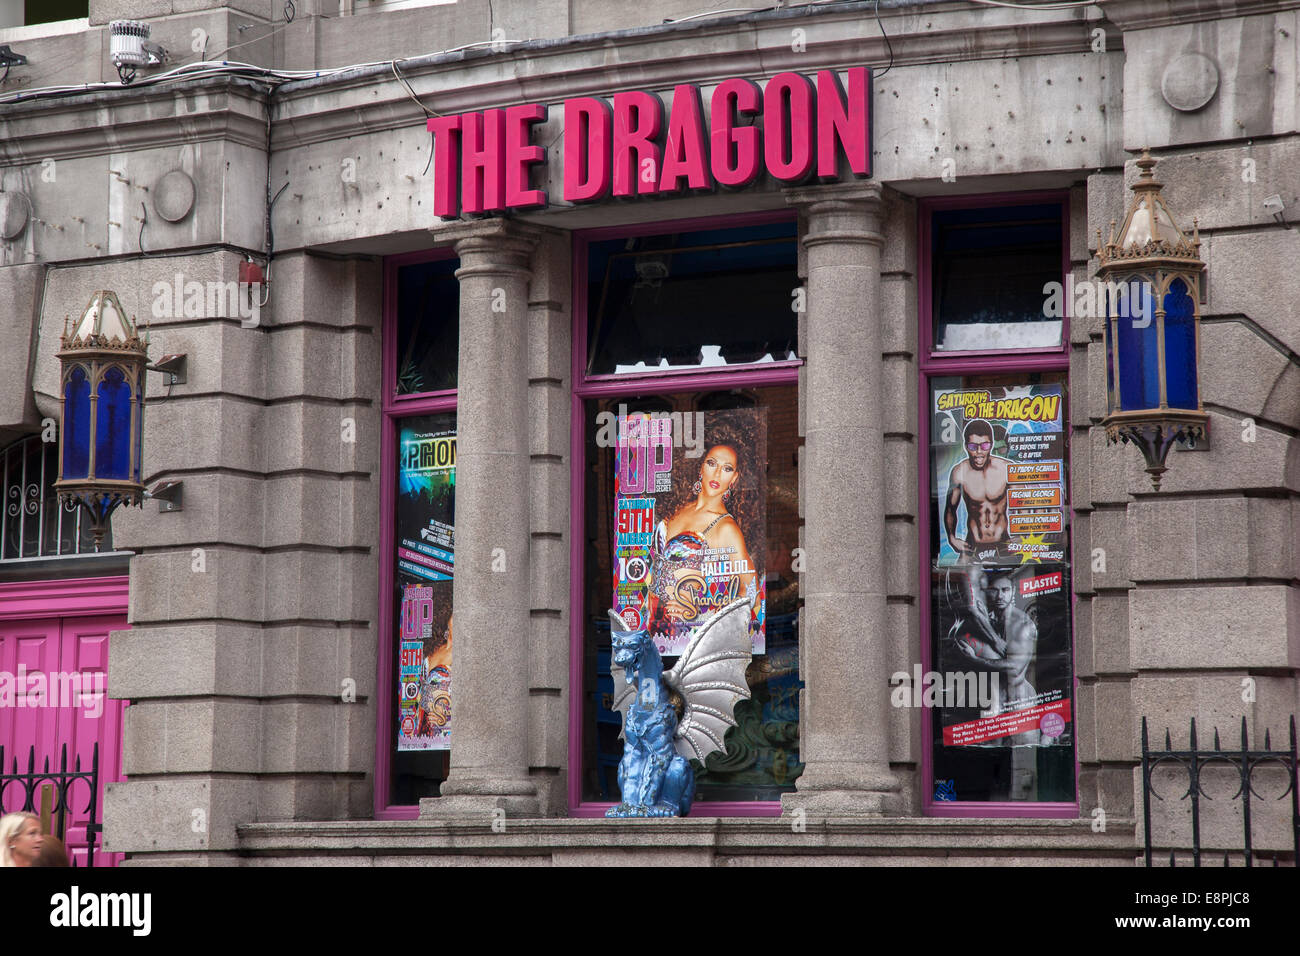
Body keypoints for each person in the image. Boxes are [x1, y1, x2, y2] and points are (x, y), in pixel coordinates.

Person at [649, 443, 758, 644]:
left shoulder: (725, 528)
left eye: (727, 468)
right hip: (654, 632)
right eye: (712, 463)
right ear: (701, 467)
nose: (717, 473)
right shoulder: (677, 510)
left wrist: (701, 613)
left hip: (690, 638)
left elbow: (752, 593)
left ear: (734, 478)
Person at [951, 568, 1043, 746]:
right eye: (994, 590)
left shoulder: (1021, 625)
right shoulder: (990, 622)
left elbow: (1014, 667)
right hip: (996, 707)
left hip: (1020, 705)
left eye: (1005, 590)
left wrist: (975, 660)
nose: (1000, 595)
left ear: (1012, 592)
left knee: (1027, 757)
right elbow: (971, 612)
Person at [944, 419, 1010, 560]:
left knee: (1022, 577)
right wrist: (951, 538)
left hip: (1004, 544)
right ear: (966, 446)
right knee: (958, 579)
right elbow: (950, 509)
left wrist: (1025, 538)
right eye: (973, 446)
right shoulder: (959, 472)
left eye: (984, 446)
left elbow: (1026, 502)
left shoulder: (1005, 469)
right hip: (972, 544)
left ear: (991, 445)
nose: (979, 452)